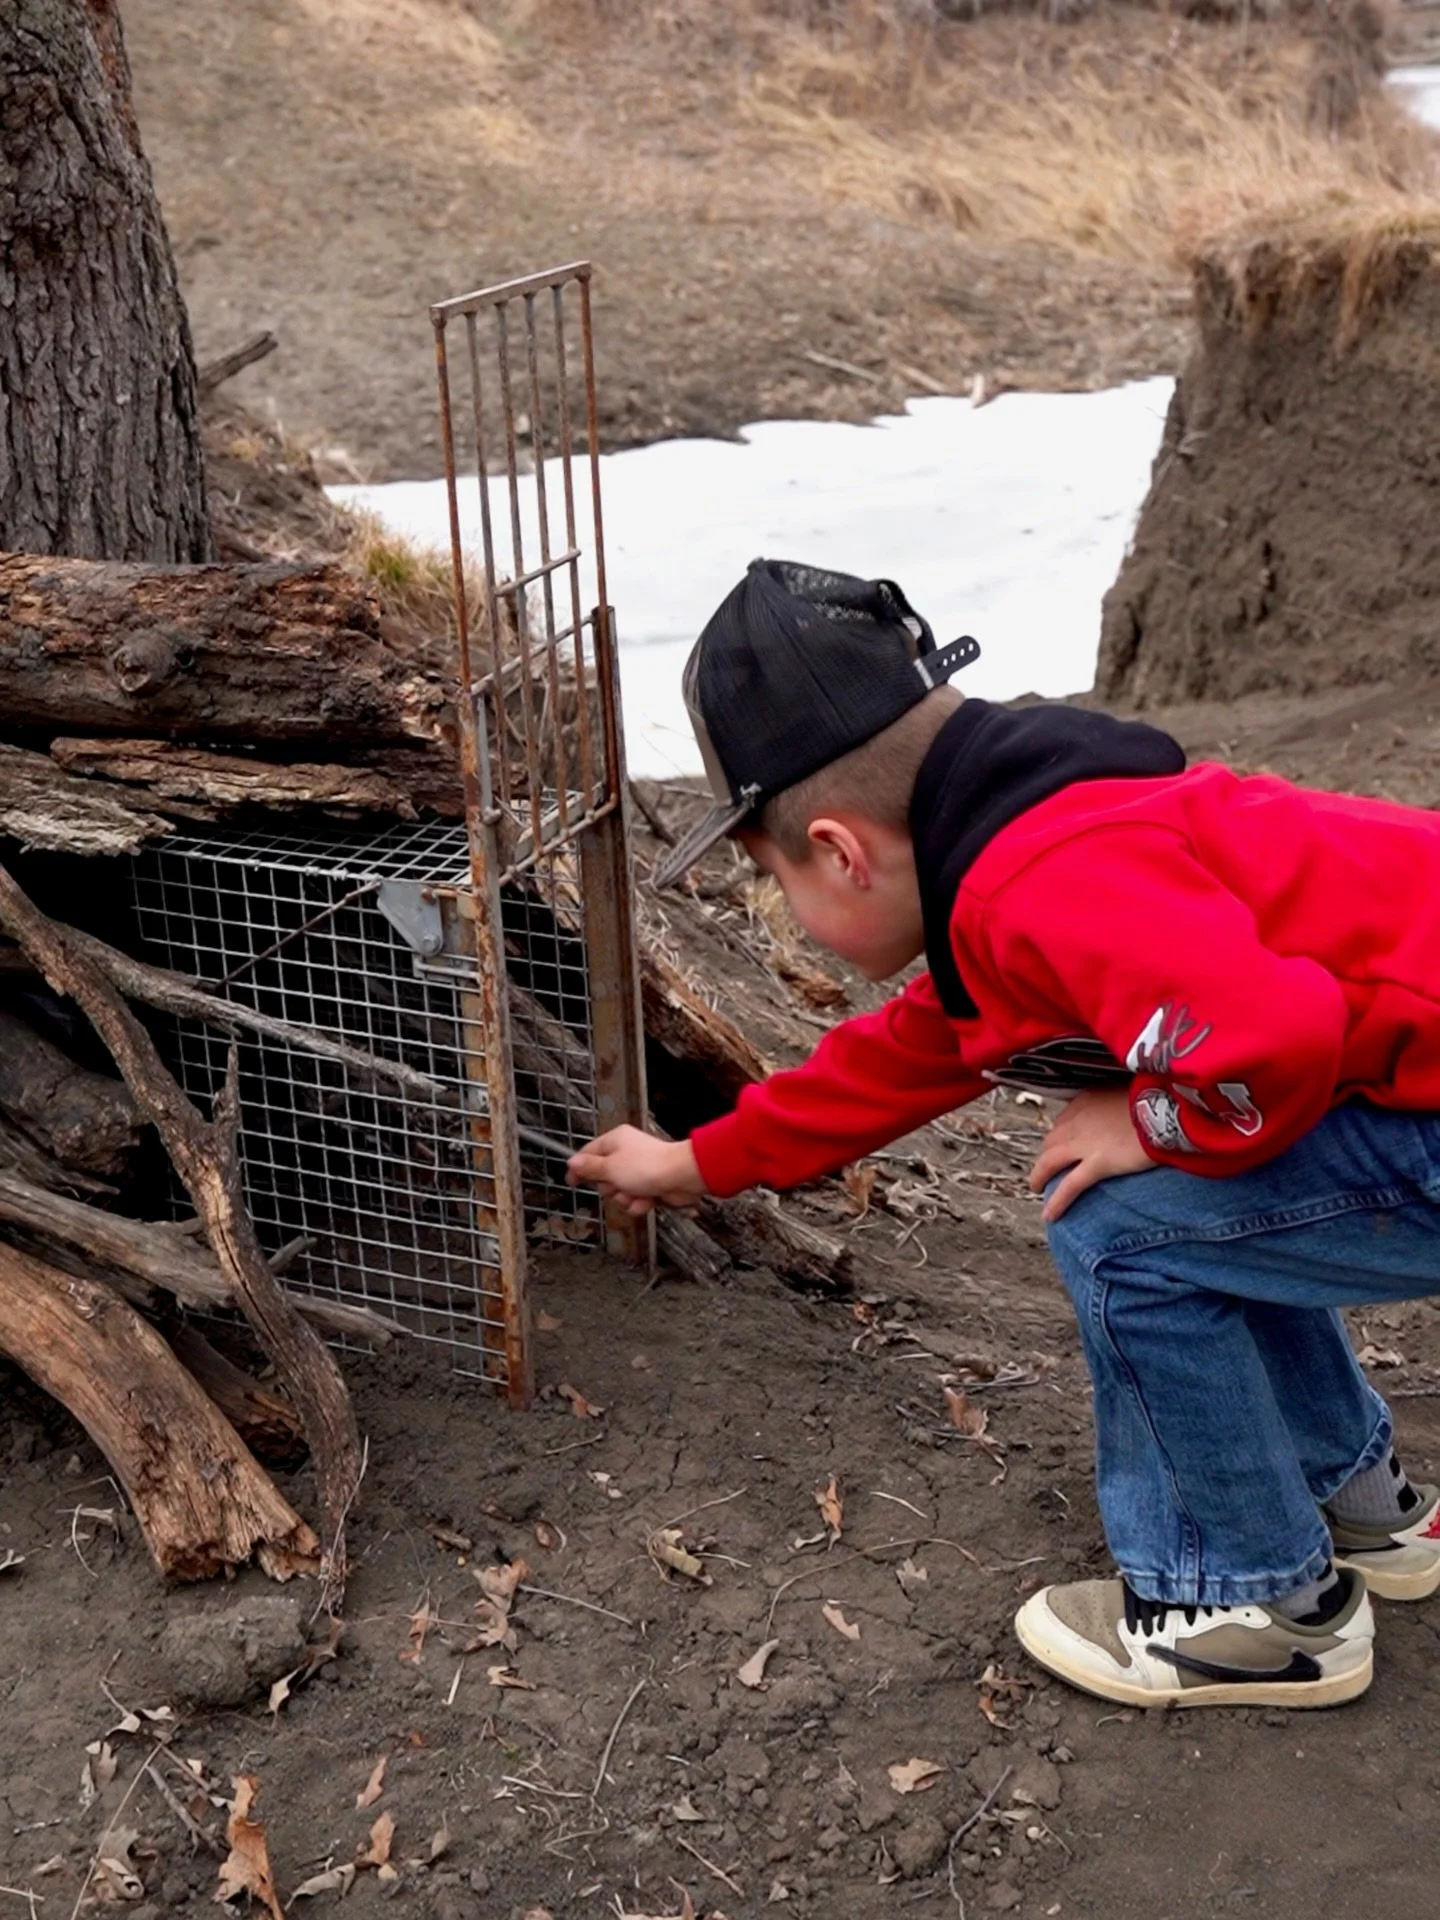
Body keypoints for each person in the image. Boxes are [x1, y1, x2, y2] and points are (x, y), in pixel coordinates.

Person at [568, 557, 1440, 1710]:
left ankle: (1243, 1604)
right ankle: (1359, 1502)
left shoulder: (1042, 879)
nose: (796, 913)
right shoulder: (1028, 835)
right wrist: (692, 1162)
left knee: (1126, 1227)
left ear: (838, 850)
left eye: (778, 884)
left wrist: (1155, 1118)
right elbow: (905, 1058)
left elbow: (1274, 1035)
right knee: (1216, 1199)